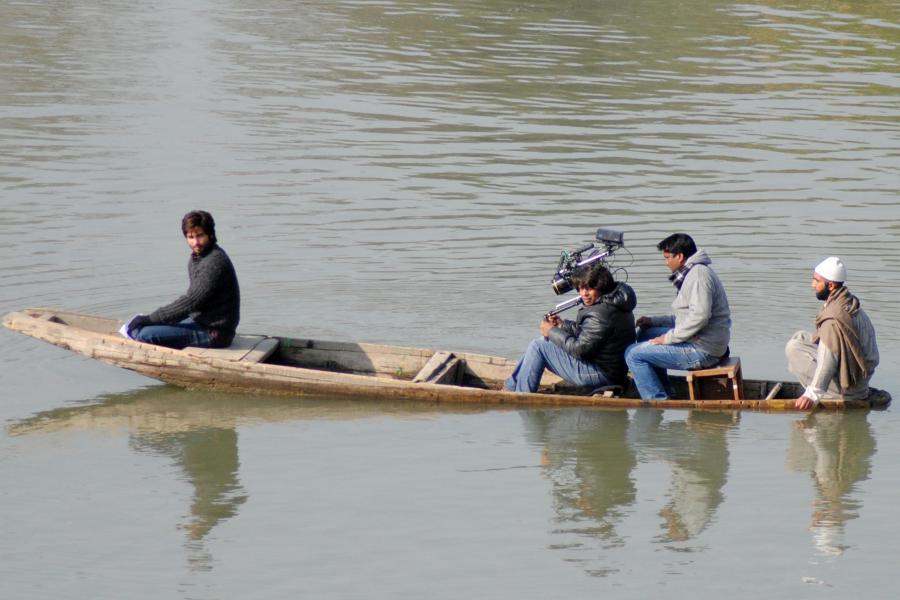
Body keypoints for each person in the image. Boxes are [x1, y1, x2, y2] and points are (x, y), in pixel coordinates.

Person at [624, 233, 731, 400]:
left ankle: (656, 400)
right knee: (646, 333)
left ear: (680, 257)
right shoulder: (693, 272)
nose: (666, 263)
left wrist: (667, 338)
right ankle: (666, 390)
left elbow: (699, 317)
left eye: (667, 258)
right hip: (702, 339)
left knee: (632, 354)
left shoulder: (698, 276)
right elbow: (684, 317)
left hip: (704, 350)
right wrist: (654, 321)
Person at [504, 262, 637, 393]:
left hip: (601, 375)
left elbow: (579, 350)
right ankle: (511, 387)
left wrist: (551, 331)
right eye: (580, 288)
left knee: (538, 346)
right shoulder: (614, 302)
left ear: (601, 287)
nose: (584, 293)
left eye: (589, 288)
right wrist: (562, 325)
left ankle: (521, 394)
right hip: (613, 372)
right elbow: (591, 335)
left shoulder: (601, 313)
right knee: (543, 343)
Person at [126, 210, 240, 349]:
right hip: (201, 321)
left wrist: (149, 319)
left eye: (200, 236)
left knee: (144, 334)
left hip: (215, 333)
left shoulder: (214, 261)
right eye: (190, 237)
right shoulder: (197, 259)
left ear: (210, 235)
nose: (195, 242)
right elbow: (191, 304)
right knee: (147, 327)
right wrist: (155, 320)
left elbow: (190, 301)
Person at [786, 257, 879, 410]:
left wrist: (811, 394)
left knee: (792, 348)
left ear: (830, 285)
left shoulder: (833, 320)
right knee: (800, 337)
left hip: (849, 390)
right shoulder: (850, 303)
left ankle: (830, 394)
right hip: (861, 382)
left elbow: (827, 361)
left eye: (816, 281)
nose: (812, 285)